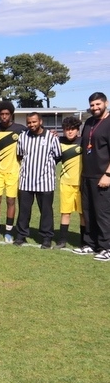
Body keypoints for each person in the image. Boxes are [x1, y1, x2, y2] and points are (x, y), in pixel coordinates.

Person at [13, 112, 61, 248]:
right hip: (26, 180)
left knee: (46, 211)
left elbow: (57, 156)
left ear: (40, 121)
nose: (31, 124)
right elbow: (20, 155)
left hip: (45, 181)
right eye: (29, 122)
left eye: (34, 122)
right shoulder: (23, 137)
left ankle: (46, 237)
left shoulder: (51, 137)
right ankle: (21, 235)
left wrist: (46, 168)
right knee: (24, 210)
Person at [76, 92, 110, 259]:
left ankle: (106, 247)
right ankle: (90, 244)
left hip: (103, 176)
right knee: (88, 212)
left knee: (103, 213)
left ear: (106, 103)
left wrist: (108, 174)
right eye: (92, 105)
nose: (95, 108)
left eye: (98, 104)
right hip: (87, 175)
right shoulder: (89, 122)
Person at [0, 101, 26, 243]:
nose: (4, 116)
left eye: (7, 114)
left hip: (13, 170)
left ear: (11, 115)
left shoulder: (20, 129)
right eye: (2, 114)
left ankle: (9, 232)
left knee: (11, 201)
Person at [56, 116, 84, 249]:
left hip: (81, 184)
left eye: (72, 129)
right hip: (65, 183)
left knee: (82, 214)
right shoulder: (59, 141)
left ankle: (84, 241)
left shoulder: (84, 141)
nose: (70, 132)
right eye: (67, 129)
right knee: (65, 213)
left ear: (78, 130)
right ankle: (62, 240)